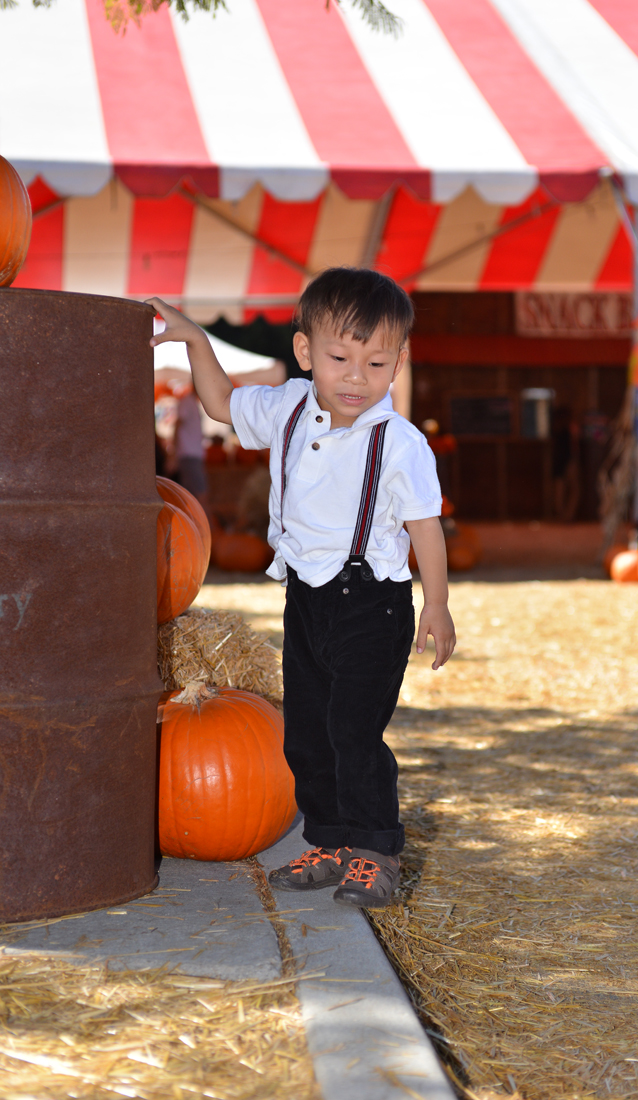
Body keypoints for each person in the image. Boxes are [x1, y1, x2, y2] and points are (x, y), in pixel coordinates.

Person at [148, 268, 455, 909]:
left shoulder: (400, 443)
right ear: (305, 351)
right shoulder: (286, 406)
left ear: (397, 362)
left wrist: (438, 604)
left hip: (373, 602)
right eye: (340, 358)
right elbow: (219, 404)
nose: (355, 377)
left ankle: (376, 850)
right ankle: (330, 841)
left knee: (353, 729)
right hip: (307, 598)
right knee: (307, 733)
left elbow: (425, 528)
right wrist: (196, 342)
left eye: (376, 363)